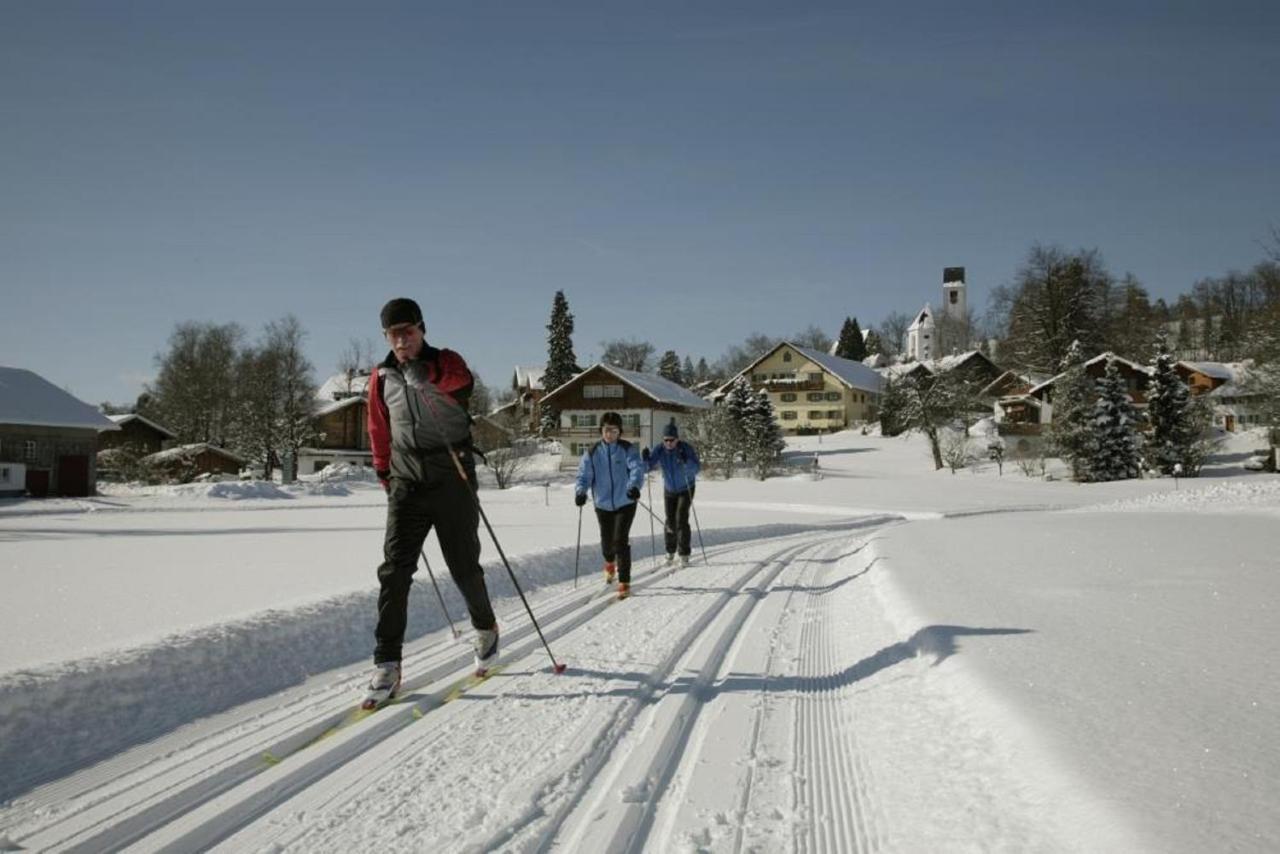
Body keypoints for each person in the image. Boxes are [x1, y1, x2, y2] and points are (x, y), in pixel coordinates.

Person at [362, 297, 499, 708]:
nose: (401, 340)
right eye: (393, 333)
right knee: (395, 570)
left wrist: (430, 375)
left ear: (422, 329)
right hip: (406, 481)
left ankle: (486, 627)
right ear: (386, 337)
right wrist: (384, 471)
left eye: (408, 330)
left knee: (462, 565)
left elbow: (464, 382)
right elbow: (377, 427)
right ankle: (387, 662)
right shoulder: (380, 377)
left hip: (451, 475)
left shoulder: (446, 361)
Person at [574, 412, 645, 600]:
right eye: (606, 430)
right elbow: (584, 475)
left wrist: (634, 487)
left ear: (619, 432)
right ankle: (609, 563)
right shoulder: (592, 452)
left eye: (614, 430)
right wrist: (581, 491)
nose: (610, 434)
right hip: (603, 503)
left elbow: (637, 469)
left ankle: (624, 581)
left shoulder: (627, 449)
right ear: (601, 431)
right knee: (607, 543)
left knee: (620, 540)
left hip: (626, 502)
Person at [642, 420, 701, 567]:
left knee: (681, 518)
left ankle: (684, 553)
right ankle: (670, 551)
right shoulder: (660, 449)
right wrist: (645, 459)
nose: (668, 443)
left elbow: (696, 468)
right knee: (670, 520)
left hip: (686, 487)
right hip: (669, 489)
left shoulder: (685, 449)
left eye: (671, 440)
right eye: (666, 440)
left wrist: (686, 461)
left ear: (677, 439)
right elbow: (648, 467)